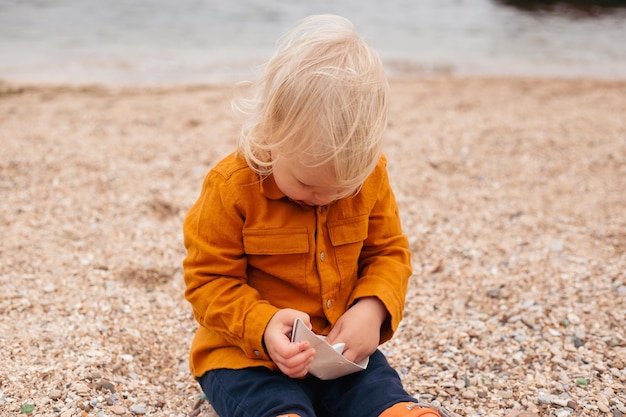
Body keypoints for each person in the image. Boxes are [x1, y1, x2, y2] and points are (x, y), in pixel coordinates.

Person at [182, 14, 441, 417]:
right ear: (271, 135)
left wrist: (371, 310)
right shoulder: (231, 188)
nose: (325, 198)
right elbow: (208, 281)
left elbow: (388, 253)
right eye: (307, 185)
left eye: (343, 188)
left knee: (382, 395)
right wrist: (264, 326)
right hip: (246, 357)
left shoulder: (371, 176)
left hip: (340, 355)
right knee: (271, 405)